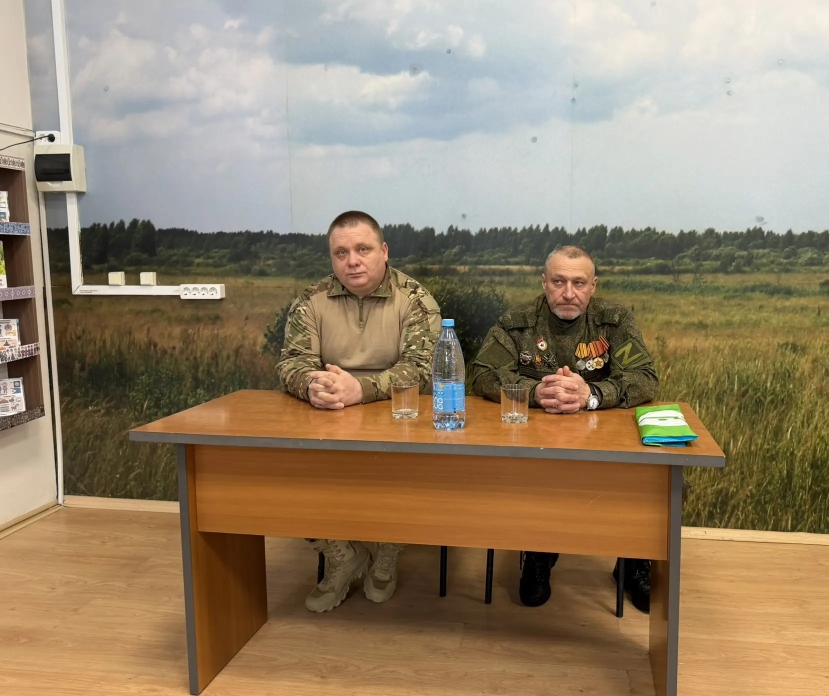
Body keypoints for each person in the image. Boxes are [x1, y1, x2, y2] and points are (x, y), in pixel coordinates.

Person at [472, 245, 659, 611]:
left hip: (603, 439)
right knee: (539, 478)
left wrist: (592, 394)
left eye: (579, 283)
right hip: (538, 441)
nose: (568, 293)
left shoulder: (613, 322)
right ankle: (539, 552)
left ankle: (635, 557)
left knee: (644, 479)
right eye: (559, 282)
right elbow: (482, 375)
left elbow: (645, 378)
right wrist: (535, 392)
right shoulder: (517, 323)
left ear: (593, 286)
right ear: (544, 283)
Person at [276, 210, 441, 613]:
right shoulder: (311, 300)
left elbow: (422, 369)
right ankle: (341, 554)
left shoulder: (416, 300)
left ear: (383, 251)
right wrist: (313, 385)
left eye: (363, 250)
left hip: (398, 419)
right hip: (330, 415)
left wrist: (361, 389)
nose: (352, 261)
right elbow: (291, 362)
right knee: (281, 472)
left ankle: (387, 551)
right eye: (341, 253)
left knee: (408, 475)